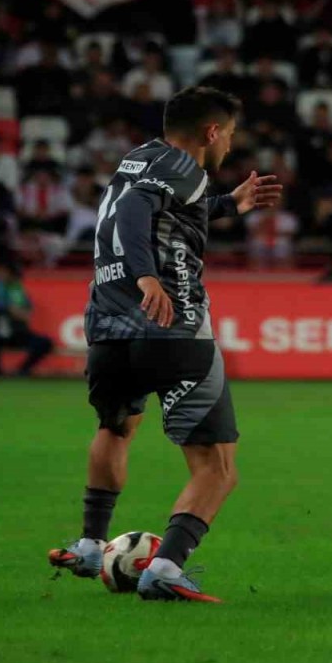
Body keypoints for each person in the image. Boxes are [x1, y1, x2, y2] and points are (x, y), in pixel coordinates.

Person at [48, 86, 283, 603]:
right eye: (231, 134)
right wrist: (148, 277)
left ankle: (90, 544)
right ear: (212, 131)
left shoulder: (139, 158)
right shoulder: (184, 165)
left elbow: (159, 209)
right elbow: (135, 212)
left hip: (108, 328)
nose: (229, 146)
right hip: (170, 323)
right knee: (217, 467)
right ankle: (166, 569)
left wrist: (231, 204)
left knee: (117, 427)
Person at [0, 261, 53, 376]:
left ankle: (22, 370)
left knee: (45, 343)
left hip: (16, 331)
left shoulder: (17, 288)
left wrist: (23, 313)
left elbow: (27, 308)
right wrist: (7, 308)